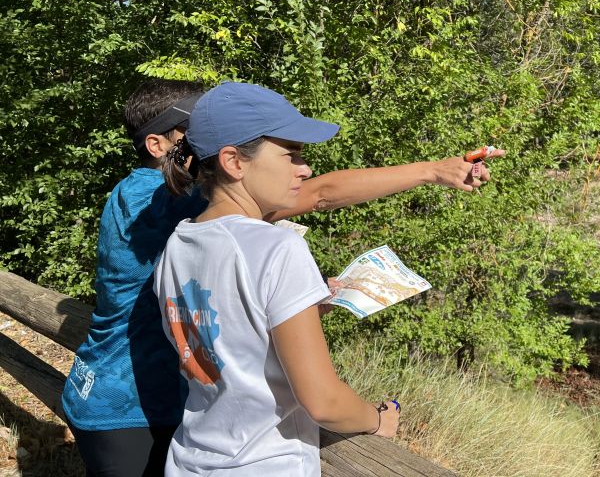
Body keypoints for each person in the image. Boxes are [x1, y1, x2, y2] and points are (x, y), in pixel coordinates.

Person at [62, 78, 502, 477]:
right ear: (160, 145)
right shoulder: (155, 199)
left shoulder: (180, 227)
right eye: (193, 130)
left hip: (177, 418)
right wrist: (432, 171)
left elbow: (221, 288)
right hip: (131, 403)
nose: (201, 141)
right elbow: (318, 195)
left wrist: (288, 303)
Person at [152, 82, 401, 474]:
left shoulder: (177, 246)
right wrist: (378, 418)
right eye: (291, 154)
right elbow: (323, 402)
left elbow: (225, 344)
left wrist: (300, 312)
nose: (306, 168)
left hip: (190, 461)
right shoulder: (277, 248)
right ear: (234, 162)